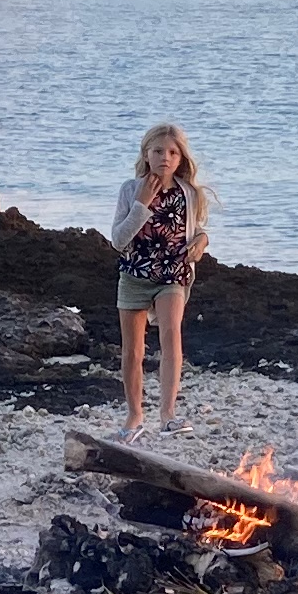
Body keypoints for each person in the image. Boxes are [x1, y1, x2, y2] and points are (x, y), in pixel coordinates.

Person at [112, 124, 206, 434]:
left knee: (171, 337)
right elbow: (118, 240)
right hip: (134, 275)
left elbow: (198, 231)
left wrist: (201, 244)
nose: (165, 157)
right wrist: (141, 204)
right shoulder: (130, 189)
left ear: (180, 159)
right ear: (146, 154)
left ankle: (168, 415)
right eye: (158, 151)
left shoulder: (188, 194)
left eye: (172, 152)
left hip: (173, 276)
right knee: (133, 351)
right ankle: (134, 415)